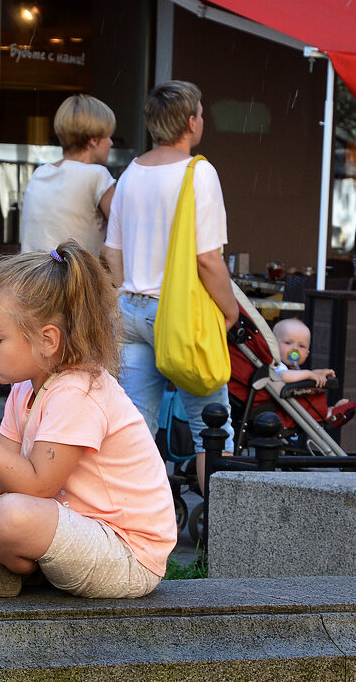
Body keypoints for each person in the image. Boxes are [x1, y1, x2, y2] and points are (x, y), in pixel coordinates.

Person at [0, 241, 178, 599]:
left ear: (47, 341)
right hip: (71, 529)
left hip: (126, 552)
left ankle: (1, 571)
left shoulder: (78, 392)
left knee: (9, 515)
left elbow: (34, 485)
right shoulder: (26, 389)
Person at [100, 80, 239, 492]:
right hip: (178, 317)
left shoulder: (130, 174)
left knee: (136, 429)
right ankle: (218, 540)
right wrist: (231, 310)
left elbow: (112, 253)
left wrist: (131, 291)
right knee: (211, 429)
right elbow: (207, 259)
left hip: (131, 310)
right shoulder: (200, 173)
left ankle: (134, 530)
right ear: (191, 122)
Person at [19, 94, 116, 256]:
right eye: (108, 136)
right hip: (72, 277)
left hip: (32, 276)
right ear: (93, 140)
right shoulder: (97, 175)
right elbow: (124, 236)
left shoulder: (39, 174)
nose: (111, 143)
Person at [271, 317, 336, 388]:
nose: (295, 348)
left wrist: (319, 373)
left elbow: (299, 375)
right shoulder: (276, 364)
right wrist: (309, 374)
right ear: (274, 345)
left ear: (307, 354)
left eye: (301, 346)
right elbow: (283, 376)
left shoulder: (293, 369)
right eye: (288, 343)